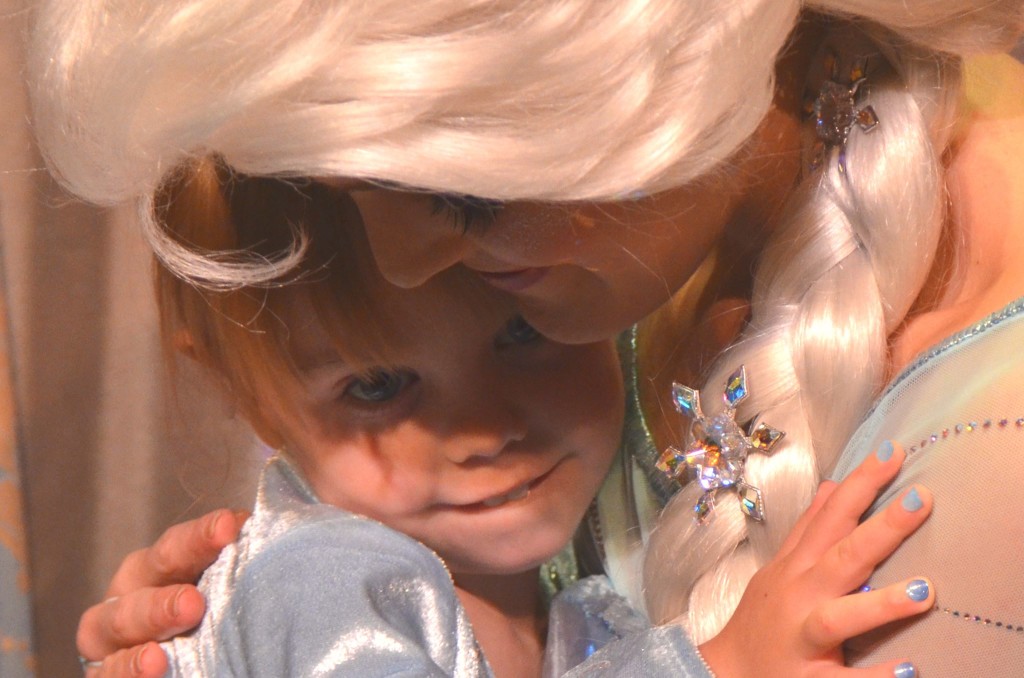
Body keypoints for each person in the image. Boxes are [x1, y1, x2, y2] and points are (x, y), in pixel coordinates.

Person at [26, 0, 1024, 675]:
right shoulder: (340, 572)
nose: (404, 266)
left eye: (462, 197)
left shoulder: (989, 417)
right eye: (354, 189)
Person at [105, 156, 930, 677]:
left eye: (523, 335)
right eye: (379, 386)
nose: (486, 428)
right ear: (254, 400)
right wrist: (720, 664)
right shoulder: (319, 580)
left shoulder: (573, 606)